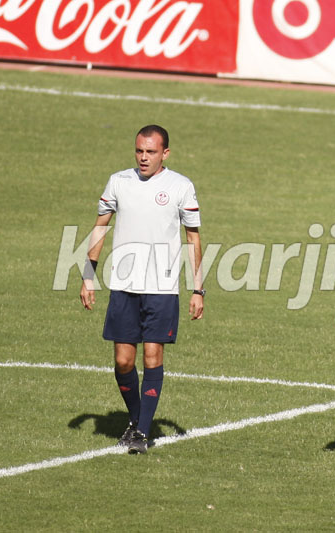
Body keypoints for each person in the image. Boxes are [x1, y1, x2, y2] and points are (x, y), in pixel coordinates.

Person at [80, 125, 204, 454]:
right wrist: (87, 275)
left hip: (162, 288)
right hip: (123, 285)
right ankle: (136, 420)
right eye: (139, 151)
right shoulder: (119, 182)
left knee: (151, 356)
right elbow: (100, 227)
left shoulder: (180, 186)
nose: (144, 157)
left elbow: (193, 239)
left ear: (165, 153)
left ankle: (142, 432)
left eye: (150, 152)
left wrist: (197, 288)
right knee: (123, 361)